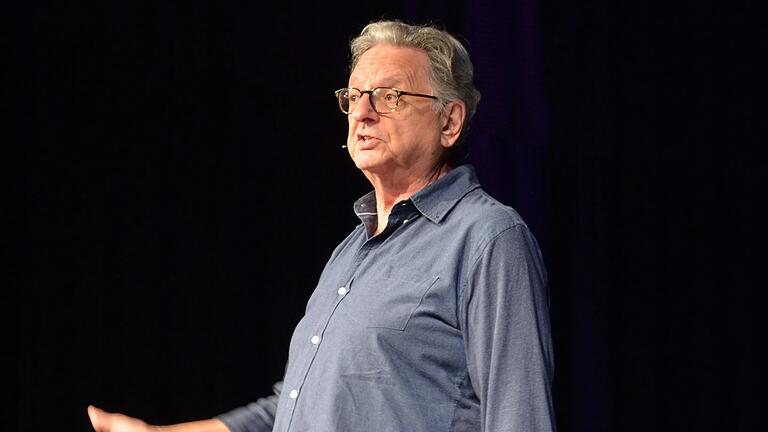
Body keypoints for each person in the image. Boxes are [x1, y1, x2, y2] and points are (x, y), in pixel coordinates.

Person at [88, 20, 556, 432]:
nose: (363, 113)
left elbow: (520, 416)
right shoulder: (351, 252)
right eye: (353, 97)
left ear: (449, 122)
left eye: (389, 96)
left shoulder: (487, 239)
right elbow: (294, 404)